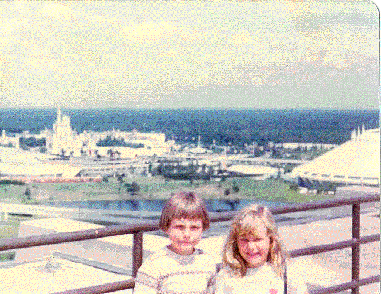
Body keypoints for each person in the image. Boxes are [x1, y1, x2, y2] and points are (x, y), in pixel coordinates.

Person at [209, 204, 309, 294]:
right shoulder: (226, 277)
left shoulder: (286, 273)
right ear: (235, 242)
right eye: (244, 240)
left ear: (271, 240)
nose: (251, 247)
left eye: (257, 239)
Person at [133, 192, 217, 294]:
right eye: (179, 227)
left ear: (203, 229)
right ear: (166, 227)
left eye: (194, 227)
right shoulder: (154, 266)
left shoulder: (207, 262)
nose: (187, 234)